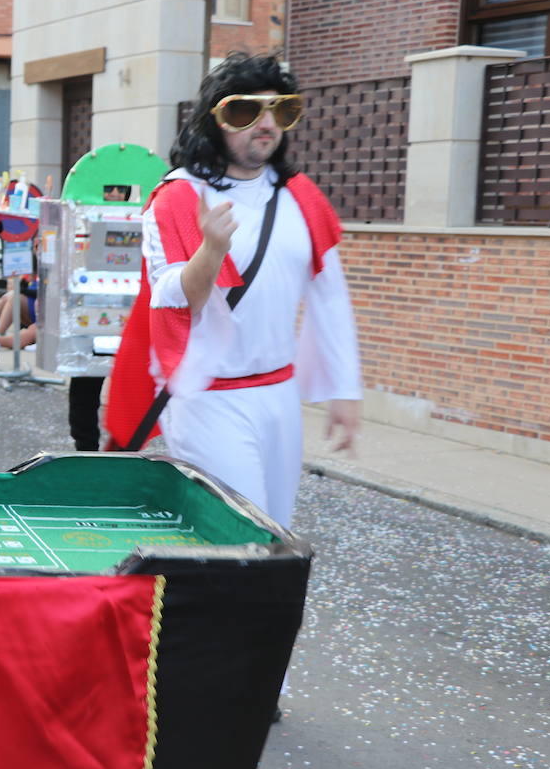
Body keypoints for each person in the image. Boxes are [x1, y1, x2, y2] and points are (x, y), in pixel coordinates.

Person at [105, 52, 361, 529]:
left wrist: (344, 389)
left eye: (280, 111)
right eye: (246, 111)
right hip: (208, 398)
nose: (265, 124)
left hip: (279, 394)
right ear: (215, 120)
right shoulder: (180, 195)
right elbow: (170, 299)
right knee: (241, 534)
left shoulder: (301, 196)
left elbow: (330, 293)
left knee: (276, 531)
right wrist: (211, 252)